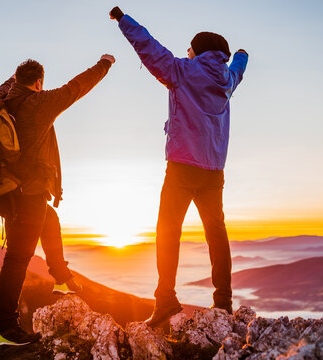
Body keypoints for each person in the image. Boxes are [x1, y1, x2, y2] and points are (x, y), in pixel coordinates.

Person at [110, 6, 248, 327]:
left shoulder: (182, 71)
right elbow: (239, 66)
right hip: (214, 172)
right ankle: (223, 303)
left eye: (189, 48)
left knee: (167, 231)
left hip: (182, 168)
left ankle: (166, 301)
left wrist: (122, 19)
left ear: (197, 51)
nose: (185, 51)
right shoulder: (227, 79)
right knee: (216, 234)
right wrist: (241, 53)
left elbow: (147, 45)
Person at [0, 54, 115, 345]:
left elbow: (10, 83)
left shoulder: (2, 99)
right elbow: (76, 88)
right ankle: (4, 329)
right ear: (38, 82)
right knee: (18, 259)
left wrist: (16, 77)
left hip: (6, 193)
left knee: (51, 219)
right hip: (28, 193)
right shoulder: (39, 103)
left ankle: (60, 276)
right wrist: (104, 64)